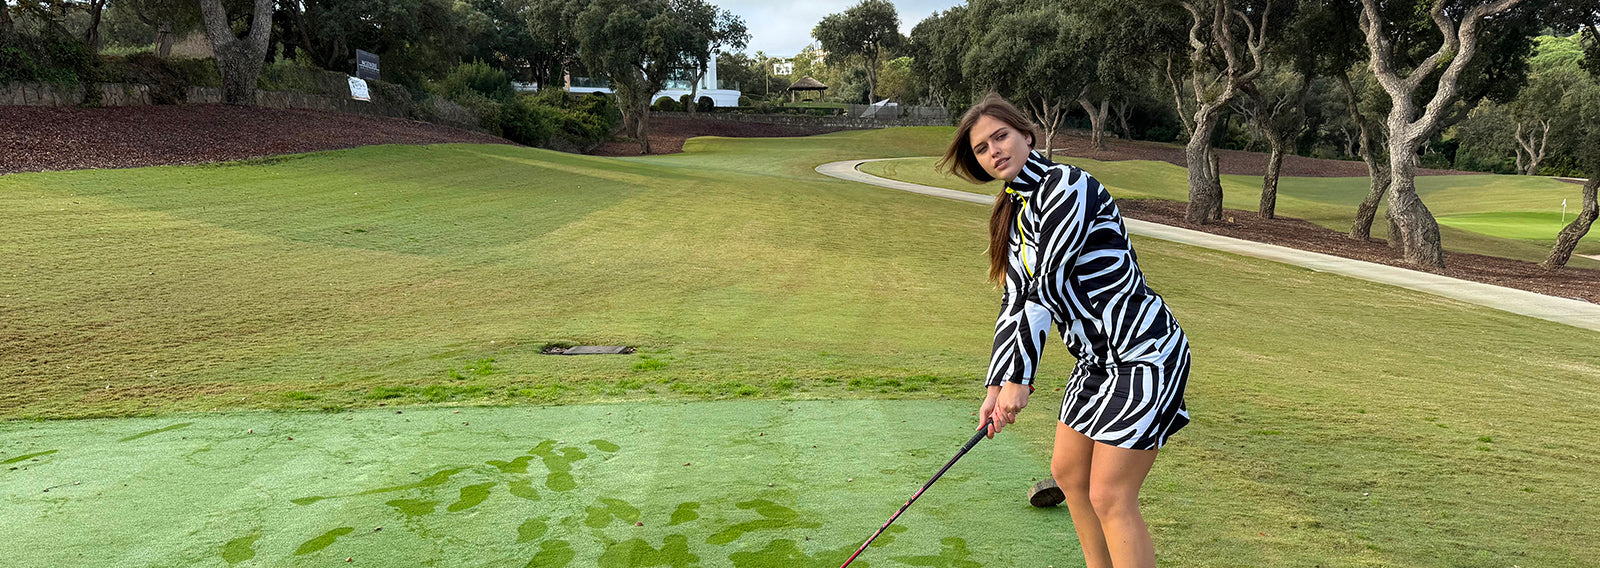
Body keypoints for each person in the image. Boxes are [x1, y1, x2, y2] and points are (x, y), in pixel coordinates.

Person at [938, 93, 1192, 568]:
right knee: (1069, 475)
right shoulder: (1016, 213)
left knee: (1110, 493)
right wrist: (995, 385)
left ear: (1026, 136)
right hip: (1096, 363)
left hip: (1144, 351)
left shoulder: (1066, 187)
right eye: (982, 148)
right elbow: (1014, 300)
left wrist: (1021, 381)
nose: (994, 150)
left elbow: (1045, 286)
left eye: (1001, 136)